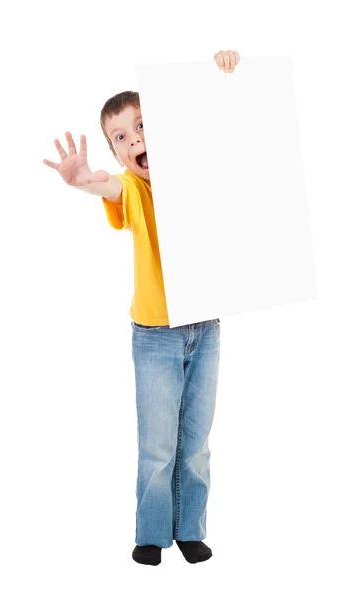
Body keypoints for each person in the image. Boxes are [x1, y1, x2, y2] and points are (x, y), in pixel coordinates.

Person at [43, 49, 240, 565]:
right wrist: (84, 178)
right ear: (117, 153)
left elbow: (230, 132)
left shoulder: (194, 172)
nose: (134, 141)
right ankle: (152, 535)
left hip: (206, 326)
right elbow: (107, 185)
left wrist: (224, 74)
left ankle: (190, 528)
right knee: (158, 446)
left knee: (195, 442)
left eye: (141, 127)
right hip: (156, 334)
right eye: (121, 138)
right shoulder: (131, 187)